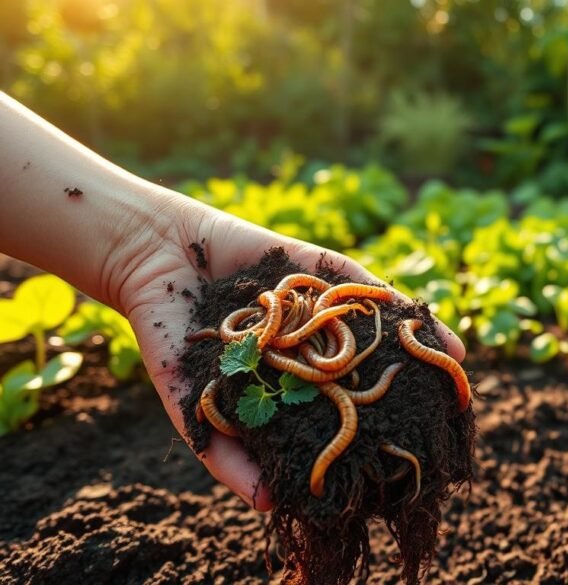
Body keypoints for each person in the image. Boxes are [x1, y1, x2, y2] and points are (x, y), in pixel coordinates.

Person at [0, 92, 466, 511]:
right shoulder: (257, 331)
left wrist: (136, 249)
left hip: (304, 332)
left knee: (353, 368)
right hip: (281, 331)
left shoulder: (313, 321)